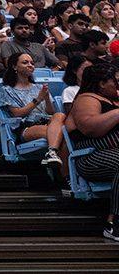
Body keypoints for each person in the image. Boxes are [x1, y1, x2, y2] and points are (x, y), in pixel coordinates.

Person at [66, 63, 119, 240]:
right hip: (91, 155)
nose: (118, 85)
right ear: (102, 83)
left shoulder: (114, 100)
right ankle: (114, 223)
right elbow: (90, 128)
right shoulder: (87, 98)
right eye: (115, 82)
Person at [0, 52, 58, 165]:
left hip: (48, 122)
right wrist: (38, 99)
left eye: (32, 63)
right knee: (59, 133)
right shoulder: (7, 90)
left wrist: (46, 98)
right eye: (25, 62)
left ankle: (53, 155)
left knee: (59, 116)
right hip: (27, 126)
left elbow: (51, 112)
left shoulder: (39, 87)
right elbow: (18, 114)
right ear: (14, 66)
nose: (30, 65)